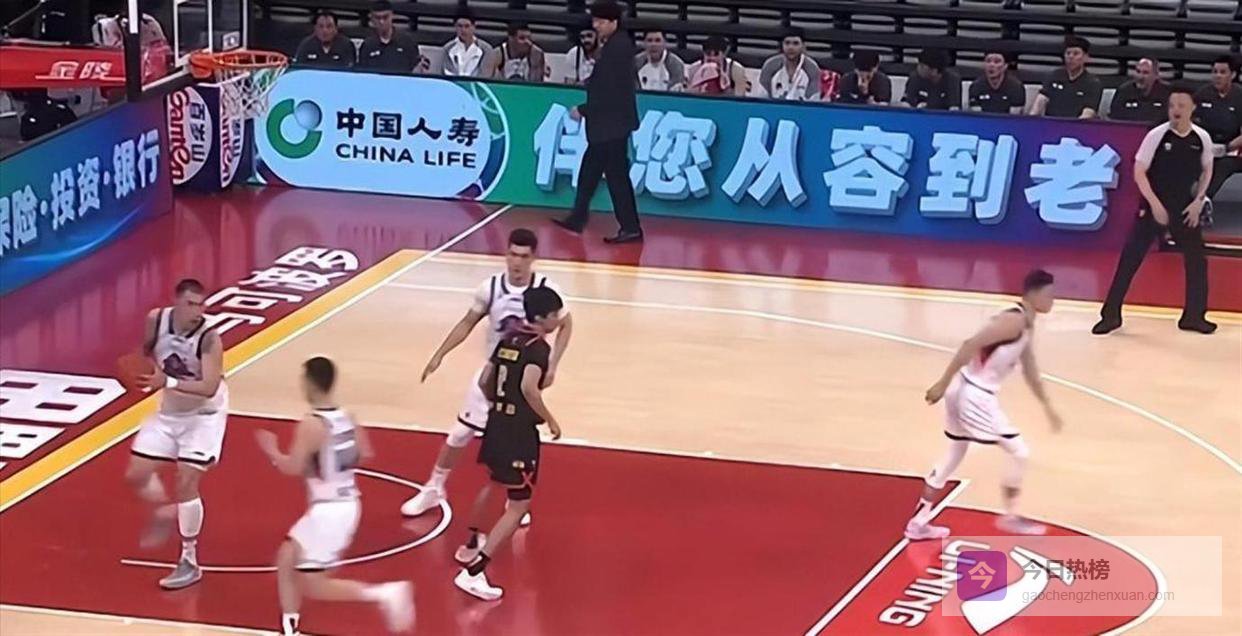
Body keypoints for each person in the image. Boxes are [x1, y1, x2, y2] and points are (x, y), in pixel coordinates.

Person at [401, 229, 574, 518]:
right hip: (495, 373)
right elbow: (466, 323)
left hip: (524, 378)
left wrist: (553, 365)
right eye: (513, 255)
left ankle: (514, 501)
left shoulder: (546, 290)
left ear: (533, 258)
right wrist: (440, 354)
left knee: (514, 444)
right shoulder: (490, 288)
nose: (517, 262)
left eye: (524, 256)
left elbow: (567, 323)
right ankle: (434, 487)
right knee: (460, 433)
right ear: (506, 254)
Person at [256, 357, 413, 636]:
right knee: (286, 557)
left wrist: (272, 451)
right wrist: (328, 460)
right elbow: (364, 454)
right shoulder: (347, 417)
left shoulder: (311, 424)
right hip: (347, 501)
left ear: (311, 383)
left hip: (329, 511)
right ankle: (290, 626)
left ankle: (384, 594)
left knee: (314, 585)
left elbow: (292, 467)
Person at [905, 269, 1063, 541]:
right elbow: (970, 343)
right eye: (1049, 294)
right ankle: (1011, 517)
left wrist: (1047, 407)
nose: (1053, 300)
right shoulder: (1013, 321)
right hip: (975, 395)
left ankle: (918, 522)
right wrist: (942, 382)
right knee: (1019, 451)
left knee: (954, 453)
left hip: (964, 390)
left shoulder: (1025, 325)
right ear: (1033, 294)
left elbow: (1030, 370)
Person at [454, 287, 566, 601]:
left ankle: (472, 541)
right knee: (518, 506)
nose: (558, 320)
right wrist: (550, 419)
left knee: (494, 482)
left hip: (497, 424)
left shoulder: (508, 339)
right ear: (541, 317)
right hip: (518, 433)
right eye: (555, 315)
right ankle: (474, 572)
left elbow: (484, 381)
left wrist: (499, 405)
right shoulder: (538, 349)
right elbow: (530, 389)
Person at [126, 278, 227, 590]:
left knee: (186, 480)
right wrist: (135, 369)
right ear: (176, 301)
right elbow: (144, 353)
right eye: (191, 304)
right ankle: (166, 510)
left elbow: (209, 387)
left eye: (201, 304)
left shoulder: (209, 338)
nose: (198, 311)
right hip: (170, 411)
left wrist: (166, 381)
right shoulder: (156, 320)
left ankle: (189, 561)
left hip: (204, 415)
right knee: (136, 475)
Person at [1094, 86, 1217, 335]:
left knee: (1197, 261)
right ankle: (1110, 315)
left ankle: (1194, 316)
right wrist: (1155, 205)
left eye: (1181, 106)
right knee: (1130, 259)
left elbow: (1207, 170)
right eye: (1172, 106)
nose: (1176, 110)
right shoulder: (1157, 135)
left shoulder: (1201, 137)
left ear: (1192, 108)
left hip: (1185, 207)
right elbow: (1139, 171)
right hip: (1153, 205)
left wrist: (1198, 201)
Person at [552, 1, 644, 244]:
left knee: (616, 177)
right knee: (591, 171)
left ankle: (630, 227)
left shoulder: (618, 47)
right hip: (609, 124)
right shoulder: (615, 44)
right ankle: (579, 216)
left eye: (600, 21)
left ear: (613, 22)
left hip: (612, 124)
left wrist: (584, 110)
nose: (596, 26)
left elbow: (611, 90)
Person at [1194, 56, 1242, 200]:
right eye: (1214, 72)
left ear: (1232, 75)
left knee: (1221, 166)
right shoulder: (1202, 94)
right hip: (1205, 146)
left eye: (1222, 72)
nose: (1217, 76)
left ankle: (1202, 199)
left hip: (1232, 151)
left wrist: (1227, 147)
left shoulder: (1240, 96)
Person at [1029, 36, 1102, 119]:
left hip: (1076, 125)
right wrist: (1031, 119)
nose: (1071, 57)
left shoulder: (1092, 83)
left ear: (1086, 57)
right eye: (1068, 53)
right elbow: (1041, 100)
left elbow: (1088, 113)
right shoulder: (1054, 75)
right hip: (1051, 123)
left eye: (1076, 54)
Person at [357, 0, 425, 73]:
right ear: (372, 19)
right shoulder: (368, 45)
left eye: (385, 17)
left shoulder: (407, 42)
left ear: (392, 16)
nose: (381, 22)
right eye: (377, 18)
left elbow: (415, 70)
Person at [758, 28, 821, 101]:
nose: (791, 47)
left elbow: (813, 100)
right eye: (787, 43)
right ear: (782, 45)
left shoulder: (812, 68)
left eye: (795, 43)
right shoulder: (770, 65)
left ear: (803, 46)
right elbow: (762, 97)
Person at [1108, 58, 1170, 124]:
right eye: (1138, 71)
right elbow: (1114, 118)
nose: (1140, 77)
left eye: (1145, 73)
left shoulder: (1167, 92)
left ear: (1156, 75)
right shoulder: (1124, 91)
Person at [481, 22, 546, 82]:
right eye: (522, 38)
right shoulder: (497, 54)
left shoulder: (536, 54)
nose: (528, 42)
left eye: (529, 38)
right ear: (511, 39)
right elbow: (489, 82)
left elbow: (537, 82)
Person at [440, 9, 493, 77]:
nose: (463, 30)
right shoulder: (447, 48)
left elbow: (485, 75)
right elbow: (446, 72)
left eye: (467, 26)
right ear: (455, 27)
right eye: (460, 26)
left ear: (474, 27)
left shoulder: (486, 49)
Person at [562, 20, 599, 85]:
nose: (586, 40)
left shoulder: (606, 53)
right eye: (582, 37)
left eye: (589, 36)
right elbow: (569, 83)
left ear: (597, 36)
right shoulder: (573, 54)